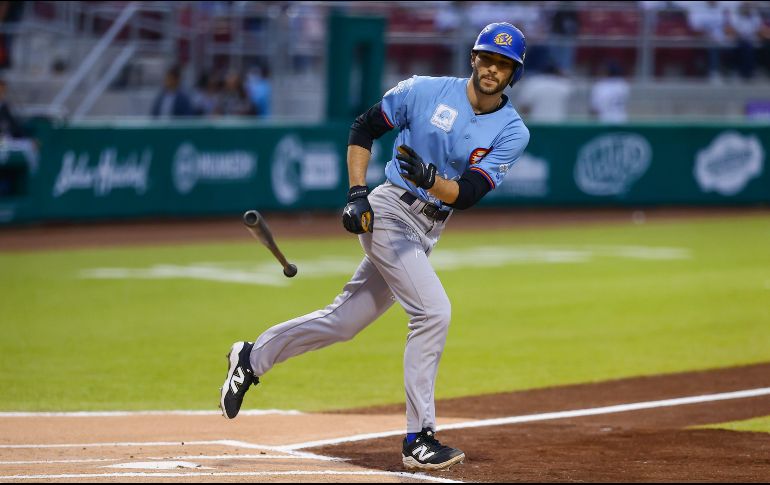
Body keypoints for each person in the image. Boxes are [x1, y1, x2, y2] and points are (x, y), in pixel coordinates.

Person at [219, 22, 530, 471]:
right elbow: (364, 127)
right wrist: (356, 193)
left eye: (504, 64)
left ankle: (251, 357)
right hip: (390, 210)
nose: (492, 69)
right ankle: (418, 438)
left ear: (513, 74)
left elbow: (467, 194)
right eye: (487, 59)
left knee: (344, 322)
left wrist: (431, 179)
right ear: (473, 59)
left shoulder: (513, 131)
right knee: (433, 312)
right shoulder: (424, 91)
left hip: (428, 227)